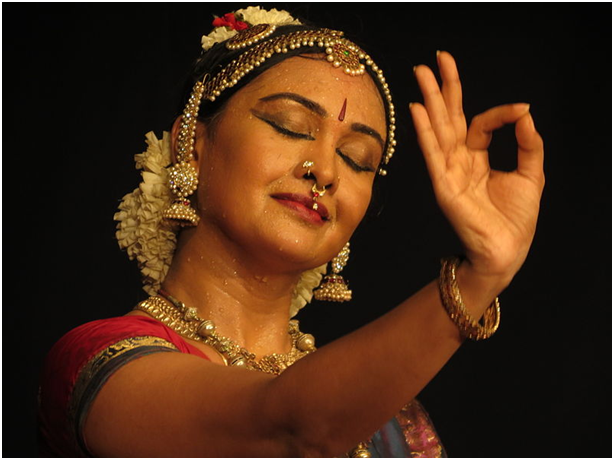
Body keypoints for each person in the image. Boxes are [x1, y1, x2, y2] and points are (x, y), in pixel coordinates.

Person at [36, 6, 545, 458]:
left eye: (356, 159)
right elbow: (290, 430)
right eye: (289, 126)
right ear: (193, 141)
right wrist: (479, 278)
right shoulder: (100, 365)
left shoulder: (391, 421)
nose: (325, 170)